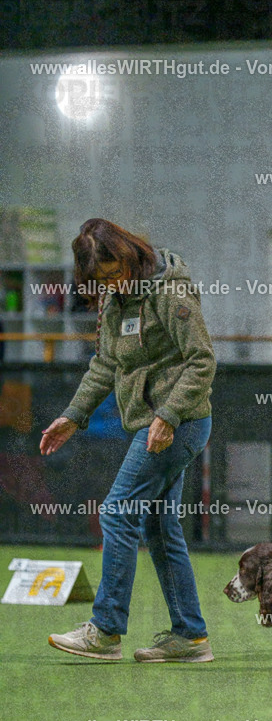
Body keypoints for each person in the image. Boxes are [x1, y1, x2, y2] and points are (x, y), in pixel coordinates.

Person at [40, 219, 216, 662]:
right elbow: (105, 364)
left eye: (114, 272)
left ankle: (105, 630)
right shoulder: (114, 300)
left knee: (118, 512)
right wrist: (73, 416)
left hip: (179, 423)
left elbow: (201, 361)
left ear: (128, 255)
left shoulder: (170, 292)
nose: (111, 284)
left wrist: (169, 415)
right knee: (159, 527)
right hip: (152, 424)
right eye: (100, 280)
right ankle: (190, 637)